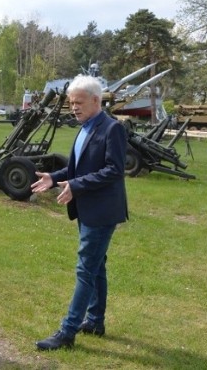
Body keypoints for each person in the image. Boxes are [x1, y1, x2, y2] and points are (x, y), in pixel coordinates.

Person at [31, 74, 128, 351]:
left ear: (96, 100)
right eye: (71, 103)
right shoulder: (84, 127)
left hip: (102, 211)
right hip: (87, 208)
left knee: (86, 268)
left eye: (79, 102)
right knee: (96, 266)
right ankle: (95, 321)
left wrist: (75, 185)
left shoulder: (112, 129)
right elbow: (78, 169)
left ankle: (67, 331)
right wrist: (54, 177)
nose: (73, 107)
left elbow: (114, 170)